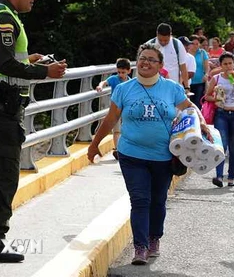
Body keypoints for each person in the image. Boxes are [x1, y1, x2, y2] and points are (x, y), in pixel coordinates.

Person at [87, 43, 210, 265]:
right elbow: (111, 119)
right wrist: (95, 144)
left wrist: (202, 123)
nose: (146, 62)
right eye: (142, 58)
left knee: (158, 201)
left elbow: (190, 107)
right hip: (131, 154)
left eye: (152, 59)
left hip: (163, 156)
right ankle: (140, 247)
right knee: (140, 199)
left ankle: (155, 238)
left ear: (161, 65)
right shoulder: (124, 89)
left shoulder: (171, 88)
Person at [0, 0, 67, 262]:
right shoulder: (4, 18)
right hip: (3, 107)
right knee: (5, 176)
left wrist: (28, 60)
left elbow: (6, 60)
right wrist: (45, 72)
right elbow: (4, 65)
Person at [204, 52, 234, 187]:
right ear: (221, 65)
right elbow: (207, 96)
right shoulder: (216, 78)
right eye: (225, 64)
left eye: (230, 63)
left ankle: (231, 178)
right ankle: (218, 175)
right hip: (221, 114)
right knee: (222, 145)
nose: (228, 66)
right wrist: (216, 98)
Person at [96, 58, 132, 159]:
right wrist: (100, 86)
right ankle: (117, 149)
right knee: (116, 130)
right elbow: (105, 82)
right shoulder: (114, 79)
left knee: (126, 128)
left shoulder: (130, 82)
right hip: (115, 107)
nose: (120, 74)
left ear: (129, 71)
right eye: (119, 72)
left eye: (123, 72)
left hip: (126, 107)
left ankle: (124, 148)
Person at [147, 23, 189, 89]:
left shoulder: (177, 45)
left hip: (173, 86)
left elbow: (183, 67)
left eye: (166, 40)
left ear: (170, 35)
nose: (163, 42)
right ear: (157, 34)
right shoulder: (149, 45)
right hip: (153, 86)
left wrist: (187, 87)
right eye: (160, 40)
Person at [189, 34, 210, 108]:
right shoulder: (185, 53)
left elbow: (207, 67)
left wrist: (206, 75)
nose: (195, 46)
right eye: (193, 43)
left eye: (197, 44)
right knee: (189, 104)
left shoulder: (202, 53)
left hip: (200, 82)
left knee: (198, 104)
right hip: (188, 83)